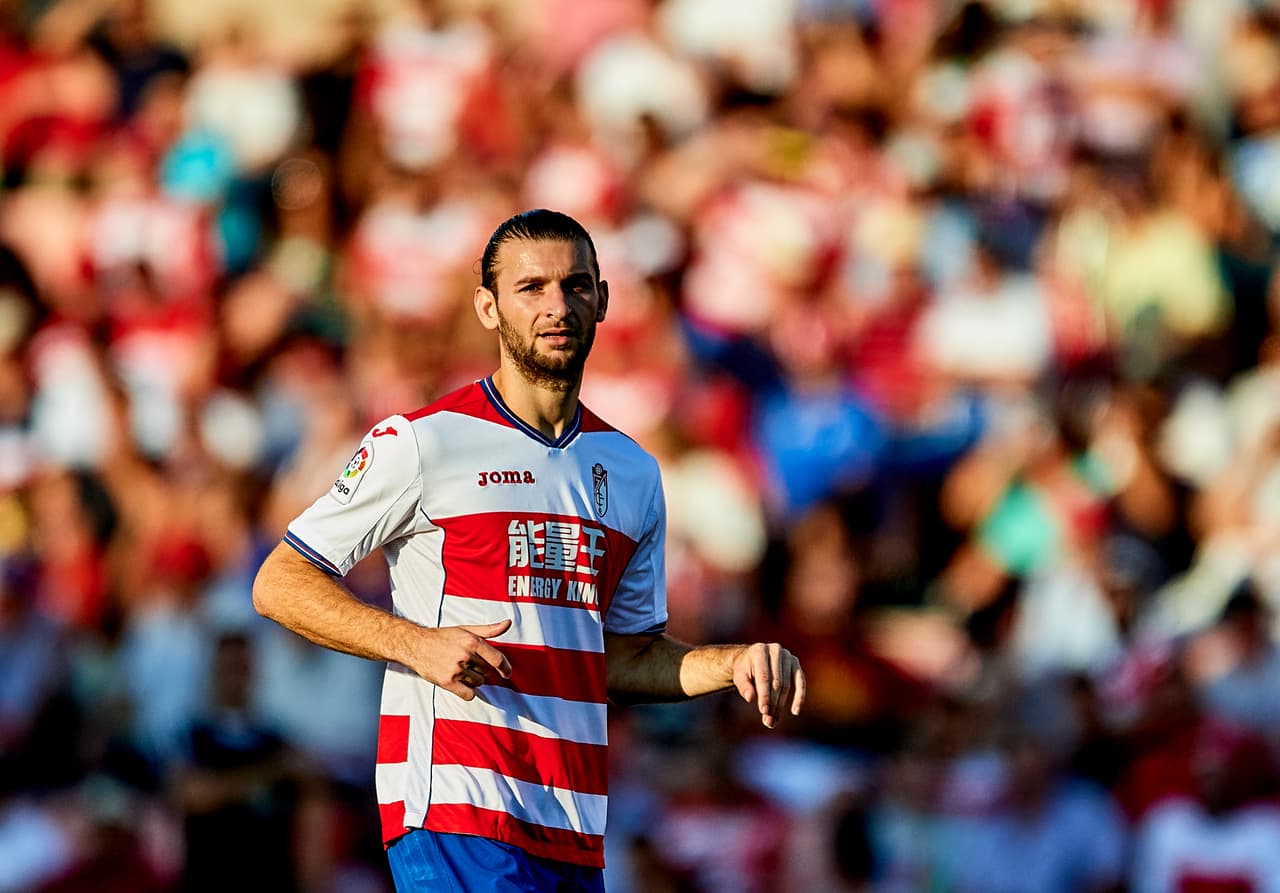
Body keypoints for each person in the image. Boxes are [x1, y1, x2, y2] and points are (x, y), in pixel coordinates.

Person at [251, 209, 806, 892]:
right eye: (531, 287)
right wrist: (414, 643)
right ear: (488, 307)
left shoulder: (630, 472)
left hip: (573, 822)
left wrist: (733, 662)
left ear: (601, 298)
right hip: (456, 808)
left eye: (575, 286)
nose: (556, 305)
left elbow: (621, 656)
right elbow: (278, 581)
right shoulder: (424, 442)